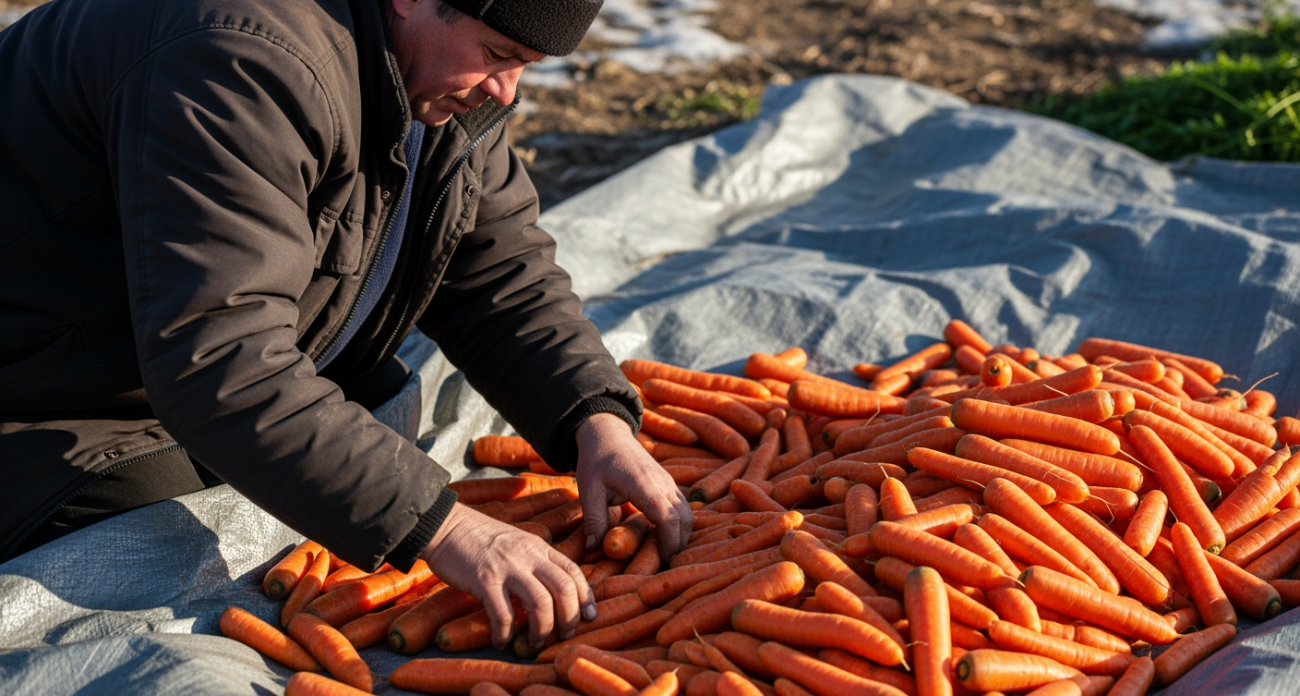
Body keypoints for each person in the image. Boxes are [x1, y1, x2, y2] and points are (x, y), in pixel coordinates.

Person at [0, 0, 691, 649]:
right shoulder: (241, 57)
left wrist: (592, 421)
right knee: (148, 533)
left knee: (373, 407)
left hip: (155, 340)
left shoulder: (436, 77)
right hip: (46, 390)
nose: (506, 92)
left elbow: (493, 265)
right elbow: (221, 359)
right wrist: (445, 529)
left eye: (526, 66)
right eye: (498, 53)